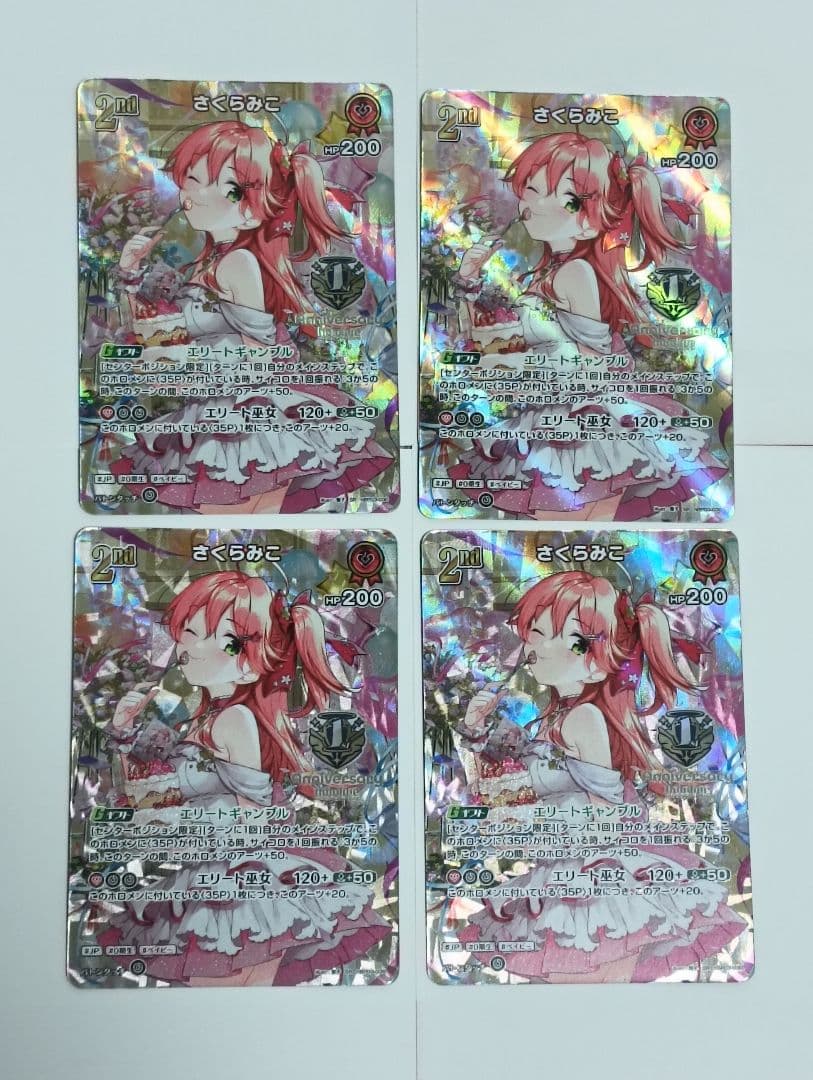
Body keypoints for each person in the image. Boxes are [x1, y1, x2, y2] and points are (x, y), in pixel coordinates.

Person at [99, 571, 390, 985]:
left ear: (253, 662)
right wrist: (123, 730)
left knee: (228, 994)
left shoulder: (235, 718)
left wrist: (175, 818)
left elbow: (255, 814)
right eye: (188, 632)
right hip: (213, 875)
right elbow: (146, 796)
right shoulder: (206, 718)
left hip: (242, 882)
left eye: (218, 638)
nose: (190, 647)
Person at [455, 570, 746, 982]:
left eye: (545, 634)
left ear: (593, 661)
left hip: (597, 879)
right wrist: (476, 728)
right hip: (568, 873)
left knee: (588, 985)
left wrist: (522, 822)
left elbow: (606, 811)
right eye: (531, 633)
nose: (531, 646)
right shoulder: (558, 718)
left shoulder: (585, 718)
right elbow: (508, 782)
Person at [113, 120, 392, 513]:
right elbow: (154, 330)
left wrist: (182, 363)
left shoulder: (239, 263)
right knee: (228, 527)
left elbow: (260, 356)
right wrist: (129, 274)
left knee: (239, 522)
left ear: (249, 209)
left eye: (214, 184)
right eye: (190, 179)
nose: (192, 193)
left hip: (246, 420)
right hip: (212, 412)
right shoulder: (209, 262)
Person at [447, 132, 724, 519]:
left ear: (591, 222)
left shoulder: (575, 272)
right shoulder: (551, 271)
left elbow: (594, 363)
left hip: (582, 426)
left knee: (572, 526)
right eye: (530, 189)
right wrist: (469, 279)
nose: (532, 203)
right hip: (556, 417)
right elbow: (489, 337)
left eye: (563, 198)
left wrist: (515, 366)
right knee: (566, 528)